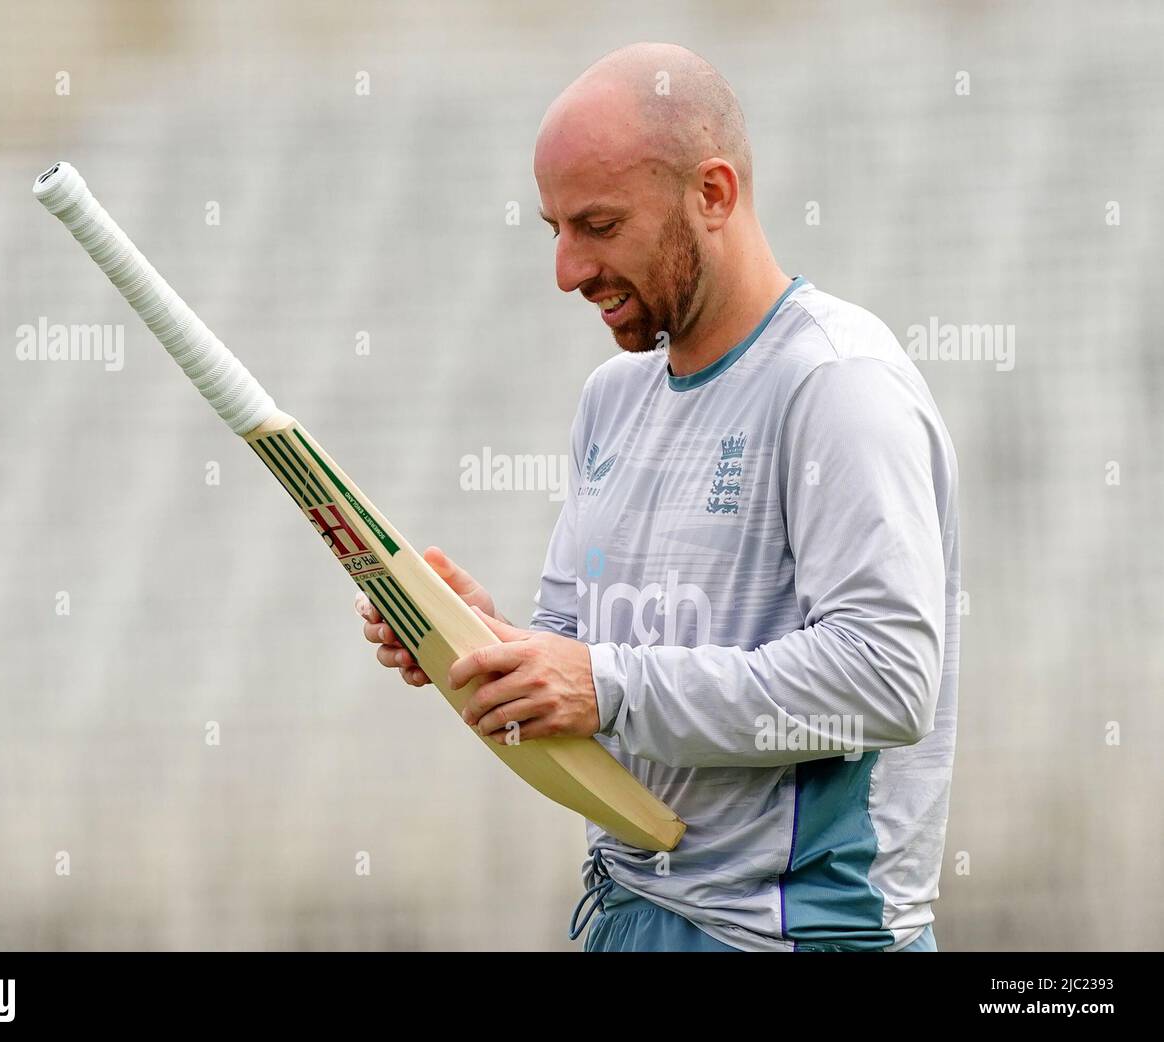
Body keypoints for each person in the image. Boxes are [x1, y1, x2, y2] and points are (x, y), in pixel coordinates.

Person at [355, 42, 959, 953]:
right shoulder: (613, 398)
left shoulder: (836, 383)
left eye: (598, 225)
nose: (566, 269)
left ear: (713, 194)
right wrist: (482, 647)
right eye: (553, 227)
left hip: (793, 935)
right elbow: (585, 669)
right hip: (632, 913)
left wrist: (602, 684)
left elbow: (885, 678)